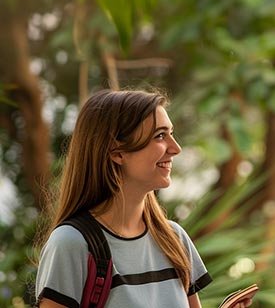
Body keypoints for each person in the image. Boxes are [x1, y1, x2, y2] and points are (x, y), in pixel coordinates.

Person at [35, 89, 252, 308]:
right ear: (117, 152)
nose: (175, 148)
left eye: (171, 133)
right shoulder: (71, 244)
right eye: (160, 135)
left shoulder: (174, 239)